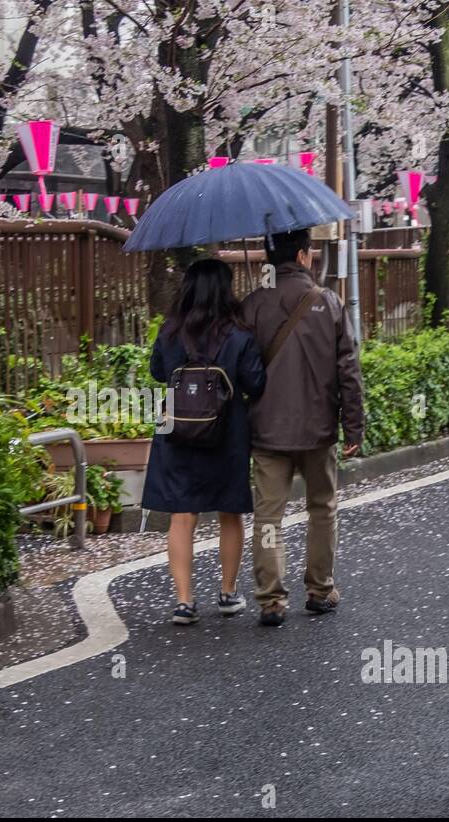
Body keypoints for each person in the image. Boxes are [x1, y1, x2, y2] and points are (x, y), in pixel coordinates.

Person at [242, 229, 364, 628]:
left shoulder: (253, 304)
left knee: (268, 515)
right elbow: (348, 369)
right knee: (322, 508)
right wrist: (354, 426)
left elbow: (240, 368)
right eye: (311, 251)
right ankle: (320, 588)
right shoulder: (327, 301)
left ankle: (271, 599)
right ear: (302, 254)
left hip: (267, 429)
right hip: (318, 428)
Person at [143, 258, 267, 626]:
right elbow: (256, 383)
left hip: (177, 429)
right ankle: (228, 593)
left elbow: (157, 372)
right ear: (226, 291)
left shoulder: (169, 332)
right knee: (230, 511)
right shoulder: (240, 335)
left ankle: (184, 601)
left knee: (182, 515)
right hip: (226, 432)